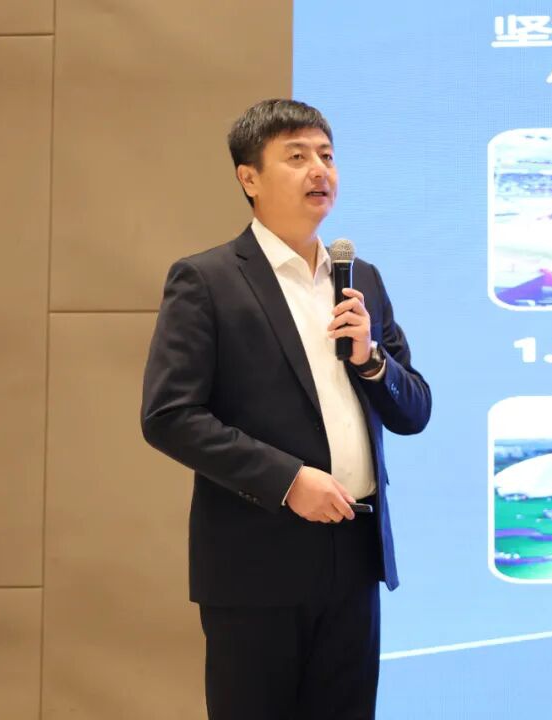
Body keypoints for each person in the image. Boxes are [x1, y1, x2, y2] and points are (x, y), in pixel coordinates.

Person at [141, 98, 431, 720]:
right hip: (256, 562)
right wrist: (288, 480)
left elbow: (415, 411)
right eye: (296, 157)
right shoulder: (208, 280)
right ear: (249, 178)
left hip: (354, 555)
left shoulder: (361, 278)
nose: (318, 170)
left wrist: (372, 361)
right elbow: (169, 414)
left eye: (326, 156)